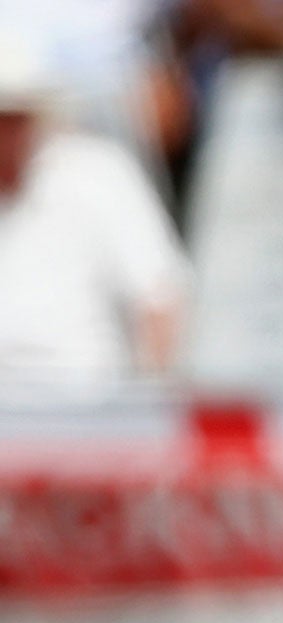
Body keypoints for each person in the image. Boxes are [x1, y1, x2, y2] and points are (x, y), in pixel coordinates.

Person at [0, 29, 188, 398]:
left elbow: (160, 295)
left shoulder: (97, 174)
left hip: (88, 407)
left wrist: (148, 401)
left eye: (13, 117)